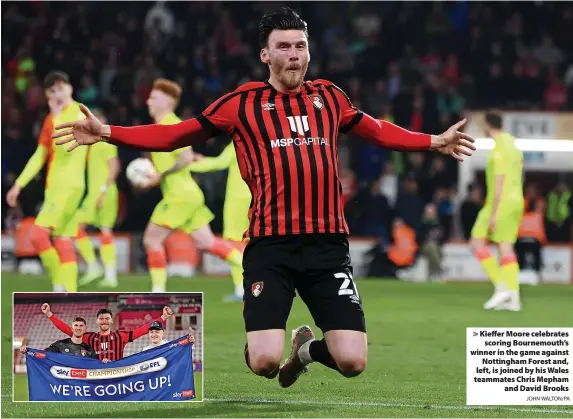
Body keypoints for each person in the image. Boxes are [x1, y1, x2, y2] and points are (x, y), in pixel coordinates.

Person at [53, 7, 475, 387]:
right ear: (265, 56)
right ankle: (271, 351)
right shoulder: (241, 104)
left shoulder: (329, 96)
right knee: (265, 363)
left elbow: (378, 130)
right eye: (283, 46)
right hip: (270, 248)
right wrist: (108, 132)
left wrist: (433, 141)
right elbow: (176, 135)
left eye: (300, 46)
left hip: (328, 247)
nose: (294, 54)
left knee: (352, 361)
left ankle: (305, 351)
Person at [138, 78, 243, 293]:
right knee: (207, 243)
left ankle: (157, 292)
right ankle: (252, 268)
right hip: (189, 195)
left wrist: (160, 175)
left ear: (168, 101)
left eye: (154, 97)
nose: (148, 101)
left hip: (180, 196)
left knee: (151, 240)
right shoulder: (164, 125)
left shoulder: (171, 124)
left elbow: (185, 157)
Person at [6, 71, 88, 292]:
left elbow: (68, 147)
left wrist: (57, 115)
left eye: (60, 88)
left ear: (70, 88)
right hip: (55, 188)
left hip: (69, 186)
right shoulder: (51, 119)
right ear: (46, 94)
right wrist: (19, 184)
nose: (57, 94)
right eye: (52, 91)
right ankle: (70, 294)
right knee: (62, 239)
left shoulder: (78, 113)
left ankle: (59, 284)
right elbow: (40, 155)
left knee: (38, 235)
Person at [470, 111, 524, 311]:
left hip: (499, 202)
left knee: (477, 242)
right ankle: (514, 298)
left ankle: (502, 287)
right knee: (506, 247)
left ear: (487, 124)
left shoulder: (499, 147)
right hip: (516, 200)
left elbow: (499, 179)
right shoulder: (513, 144)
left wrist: (494, 212)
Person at [190, 142, 252, 301]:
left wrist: (191, 164)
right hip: (258, 196)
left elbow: (219, 163)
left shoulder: (238, 142)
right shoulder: (262, 140)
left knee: (235, 243)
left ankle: (241, 290)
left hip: (237, 199)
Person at [75, 109, 121, 288]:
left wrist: (102, 190)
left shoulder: (106, 141)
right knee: (79, 227)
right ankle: (96, 268)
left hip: (104, 192)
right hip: (95, 193)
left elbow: (114, 167)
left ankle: (109, 274)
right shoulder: (94, 143)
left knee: (103, 230)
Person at [42, 303, 173, 361]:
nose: (104, 321)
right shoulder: (89, 337)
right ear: (97, 321)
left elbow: (142, 330)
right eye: (101, 319)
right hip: (96, 376)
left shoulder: (120, 336)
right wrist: (49, 314)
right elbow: (67, 329)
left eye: (107, 318)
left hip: (117, 375)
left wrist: (163, 318)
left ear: (111, 321)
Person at [20, 317, 100, 360]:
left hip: (81, 387)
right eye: (76, 325)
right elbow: (44, 354)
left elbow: (95, 367)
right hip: (63, 387)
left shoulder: (89, 349)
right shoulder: (60, 345)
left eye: (81, 326)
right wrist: (28, 351)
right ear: (71, 329)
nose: (78, 328)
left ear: (85, 329)